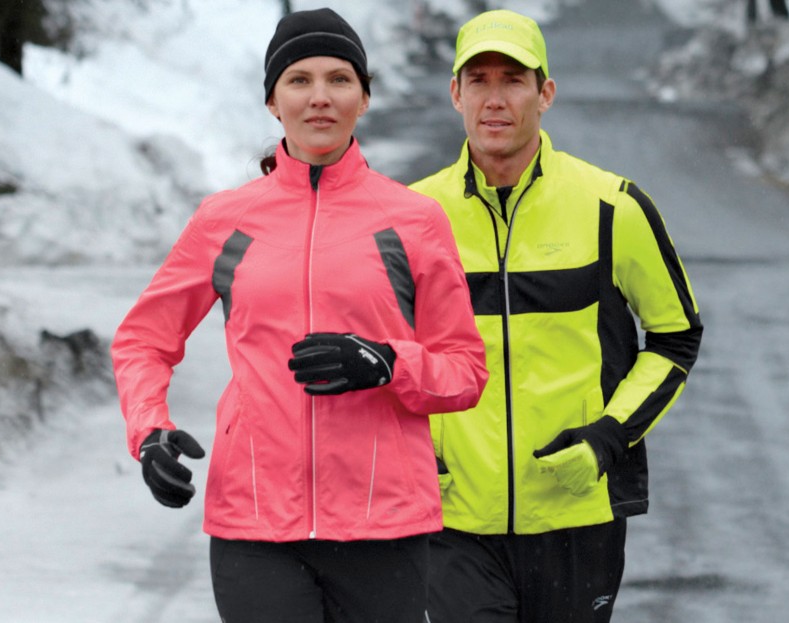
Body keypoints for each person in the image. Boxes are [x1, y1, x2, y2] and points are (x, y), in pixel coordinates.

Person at [109, 8, 487, 623]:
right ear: (272, 101)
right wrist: (149, 431)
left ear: (364, 99)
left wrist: (389, 362)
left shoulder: (413, 219)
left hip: (384, 524)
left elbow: (465, 370)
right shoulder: (224, 220)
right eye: (299, 80)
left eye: (340, 79)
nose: (320, 98)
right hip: (255, 523)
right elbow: (143, 341)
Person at [409, 9, 703, 622]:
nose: (496, 99)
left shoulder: (612, 208)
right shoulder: (412, 217)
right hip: (452, 517)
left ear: (545, 94)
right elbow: (382, 350)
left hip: (577, 516)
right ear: (455, 93)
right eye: (480, 80)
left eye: (513, 80)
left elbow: (675, 338)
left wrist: (610, 436)